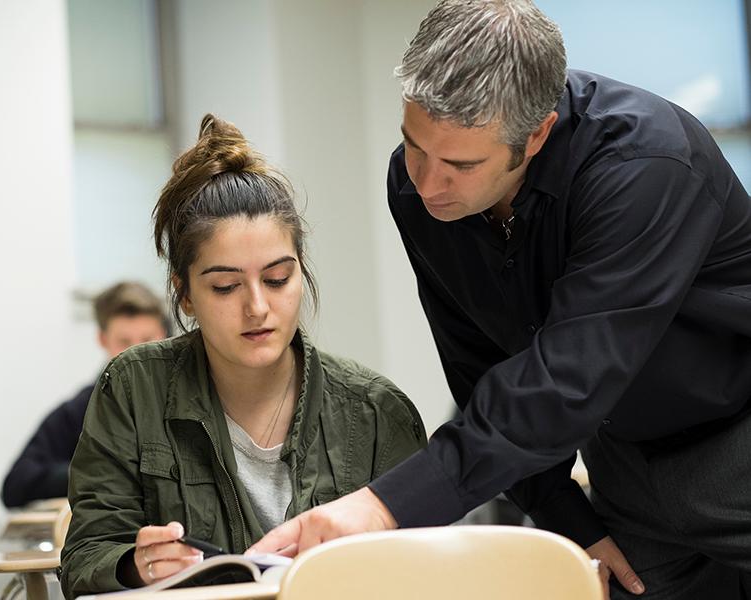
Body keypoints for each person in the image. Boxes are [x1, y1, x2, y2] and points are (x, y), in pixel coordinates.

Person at [250, 2, 751, 599]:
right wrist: (566, 515)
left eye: (462, 164)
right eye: (414, 146)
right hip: (626, 470)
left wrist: (387, 505)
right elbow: (477, 360)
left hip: (736, 447)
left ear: (536, 132)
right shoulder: (419, 188)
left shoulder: (645, 165)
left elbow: (568, 376)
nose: (428, 184)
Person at [59, 114, 426, 600]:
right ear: (184, 294)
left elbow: (429, 568)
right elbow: (84, 557)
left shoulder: (376, 412)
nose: (257, 307)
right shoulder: (133, 388)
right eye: (226, 286)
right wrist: (135, 565)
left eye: (277, 279)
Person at [0, 282, 169, 508]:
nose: (135, 354)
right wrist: (95, 472)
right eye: (124, 342)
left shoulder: (192, 400)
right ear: (103, 340)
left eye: (147, 340)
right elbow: (16, 486)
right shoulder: (79, 410)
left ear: (163, 335)